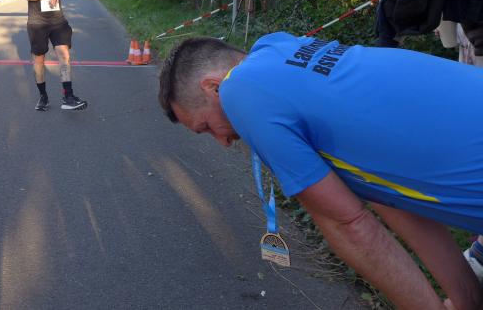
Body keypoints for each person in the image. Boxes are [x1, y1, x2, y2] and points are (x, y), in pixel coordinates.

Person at [158, 33, 483, 310]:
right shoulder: (280, 50)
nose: (223, 142)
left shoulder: (240, 89)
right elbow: (395, 202)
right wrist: (466, 299)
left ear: (214, 88)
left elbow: (349, 224)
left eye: (207, 127)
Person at [18, 0, 87, 111]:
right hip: (37, 22)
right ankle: (43, 97)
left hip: (57, 21)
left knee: (64, 54)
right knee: (39, 60)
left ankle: (68, 96)